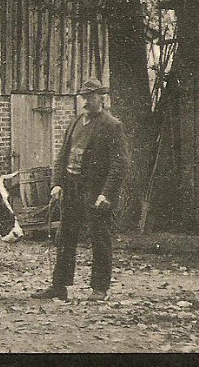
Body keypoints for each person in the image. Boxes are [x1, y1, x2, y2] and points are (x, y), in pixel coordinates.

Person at [32, 78, 129, 302]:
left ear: (101, 98)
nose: (86, 102)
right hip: (72, 189)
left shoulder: (112, 125)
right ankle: (59, 286)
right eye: (83, 97)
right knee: (65, 237)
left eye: (90, 97)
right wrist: (57, 183)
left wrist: (106, 193)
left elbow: (119, 164)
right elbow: (62, 156)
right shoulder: (76, 122)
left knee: (99, 238)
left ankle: (99, 288)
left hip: (95, 192)